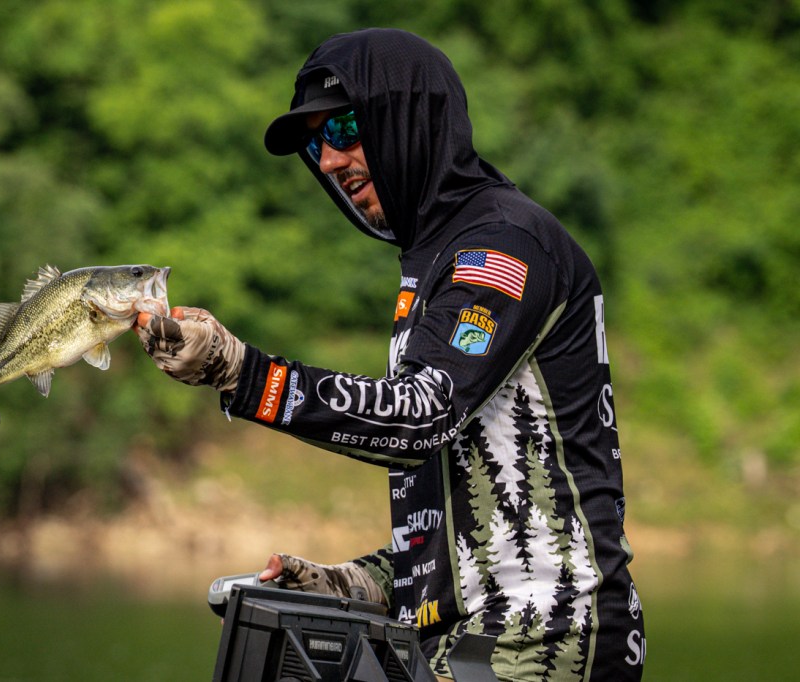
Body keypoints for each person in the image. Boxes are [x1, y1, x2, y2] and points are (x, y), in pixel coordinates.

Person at [135, 28, 645, 681]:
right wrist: (350, 582)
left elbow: (418, 418)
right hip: (461, 644)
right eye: (316, 144)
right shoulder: (433, 261)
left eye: (345, 128)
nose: (329, 160)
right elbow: (461, 515)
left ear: (408, 118)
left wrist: (240, 371)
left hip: (543, 638)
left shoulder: (504, 244)